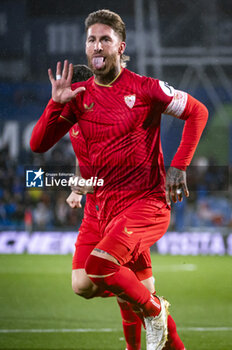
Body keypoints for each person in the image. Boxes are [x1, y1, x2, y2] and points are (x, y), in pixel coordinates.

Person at [30, 9, 208, 350]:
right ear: (86, 47)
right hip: (102, 210)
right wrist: (54, 105)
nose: (98, 46)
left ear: (120, 47)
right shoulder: (78, 96)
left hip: (144, 204)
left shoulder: (146, 89)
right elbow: (38, 144)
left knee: (103, 268)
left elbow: (197, 111)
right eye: (92, 40)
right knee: (87, 284)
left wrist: (179, 165)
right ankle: (158, 329)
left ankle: (153, 313)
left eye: (105, 40)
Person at [68, 65, 186, 350]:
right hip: (96, 211)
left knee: (139, 293)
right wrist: (76, 187)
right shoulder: (73, 120)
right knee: (82, 284)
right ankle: (131, 290)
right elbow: (83, 159)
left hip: (127, 207)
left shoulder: (108, 114)